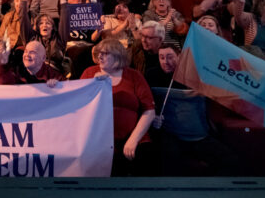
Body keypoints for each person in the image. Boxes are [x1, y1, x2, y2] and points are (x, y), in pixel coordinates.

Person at [147, 44, 237, 176]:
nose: (165, 61)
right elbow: (146, 104)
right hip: (170, 135)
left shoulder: (196, 74)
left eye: (170, 57)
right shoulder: (151, 75)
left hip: (198, 136)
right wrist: (153, 117)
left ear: (179, 56)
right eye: (161, 57)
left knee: (231, 160)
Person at [82, 39, 155, 176]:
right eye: (99, 53)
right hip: (99, 141)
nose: (100, 56)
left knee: (144, 159)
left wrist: (133, 139)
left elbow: (149, 111)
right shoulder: (89, 73)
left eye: (105, 53)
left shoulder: (134, 76)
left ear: (117, 55)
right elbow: (76, 102)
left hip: (134, 140)